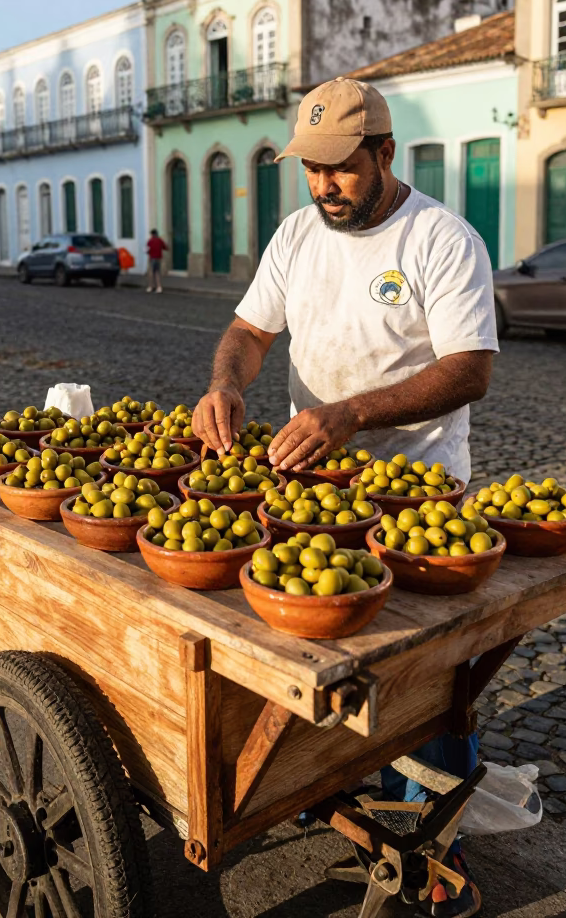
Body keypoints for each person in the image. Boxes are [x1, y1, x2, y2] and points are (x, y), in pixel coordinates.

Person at [192, 77, 498, 918]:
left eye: (341, 170)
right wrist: (227, 384)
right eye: (312, 170)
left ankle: (441, 857)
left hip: (414, 496)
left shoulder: (441, 238)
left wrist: (352, 413)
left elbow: (469, 366)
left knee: (428, 678)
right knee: (328, 673)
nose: (324, 186)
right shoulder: (297, 236)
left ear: (385, 155)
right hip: (310, 494)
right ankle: (367, 822)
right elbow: (252, 333)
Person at [145, 228, 168, 294]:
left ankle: (150, 287)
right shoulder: (160, 240)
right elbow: (165, 248)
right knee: (157, 272)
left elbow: (146, 250)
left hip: (152, 258)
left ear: (152, 234)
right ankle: (159, 287)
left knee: (151, 272)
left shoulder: (150, 241)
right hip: (159, 258)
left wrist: (149, 253)